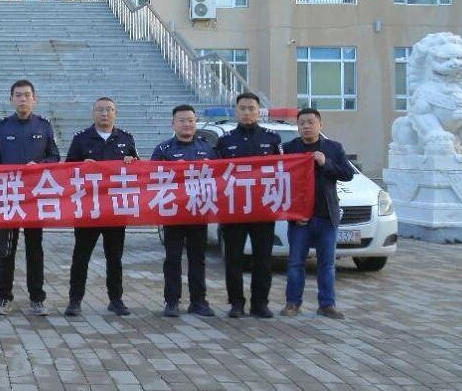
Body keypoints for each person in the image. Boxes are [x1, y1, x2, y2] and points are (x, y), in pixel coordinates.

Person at [0, 79, 60, 316]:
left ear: (34, 99)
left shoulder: (44, 126)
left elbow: (55, 157)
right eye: (18, 95)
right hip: (9, 195)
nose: (23, 99)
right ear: (11, 99)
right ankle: (4, 297)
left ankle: (37, 298)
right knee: (7, 248)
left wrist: (39, 165)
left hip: (34, 197)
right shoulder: (1, 127)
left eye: (27, 95)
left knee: (35, 248)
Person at [64, 97, 137, 317]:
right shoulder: (81, 139)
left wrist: (132, 162)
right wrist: (81, 165)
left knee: (114, 257)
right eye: (100, 110)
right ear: (93, 113)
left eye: (109, 110)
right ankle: (75, 300)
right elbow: (67, 170)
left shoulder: (125, 138)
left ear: (116, 113)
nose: (105, 113)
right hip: (89, 208)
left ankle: (116, 299)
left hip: (115, 209)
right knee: (81, 256)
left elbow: (137, 169)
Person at [215, 92, 284, 319]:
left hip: (263, 209)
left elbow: (283, 171)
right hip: (234, 210)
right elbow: (215, 175)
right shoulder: (225, 141)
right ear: (236, 111)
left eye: (251, 108)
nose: (247, 112)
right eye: (242, 108)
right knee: (233, 259)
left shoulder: (272, 139)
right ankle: (236, 303)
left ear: (258, 111)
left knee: (263, 259)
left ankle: (260, 304)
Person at [282, 108, 355, 320]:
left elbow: (348, 174)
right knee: (296, 263)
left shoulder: (333, 148)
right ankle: (293, 303)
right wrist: (292, 213)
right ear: (297, 127)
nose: (306, 126)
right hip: (300, 219)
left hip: (326, 216)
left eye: (311, 122)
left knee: (327, 264)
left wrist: (326, 163)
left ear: (320, 125)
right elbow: (282, 182)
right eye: (302, 123)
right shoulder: (289, 149)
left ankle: (327, 305)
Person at [150, 104, 216, 318]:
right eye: (182, 120)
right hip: (173, 213)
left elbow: (221, 177)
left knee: (198, 258)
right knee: (172, 258)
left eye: (190, 120)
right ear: (173, 124)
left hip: (199, 211)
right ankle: (171, 301)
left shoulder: (207, 149)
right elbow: (150, 177)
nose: (187, 124)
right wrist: (171, 169)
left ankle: (199, 301)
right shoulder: (163, 150)